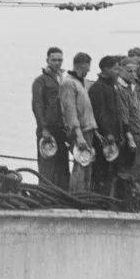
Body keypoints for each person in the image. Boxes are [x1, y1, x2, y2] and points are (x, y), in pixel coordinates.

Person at [31, 47, 68, 190]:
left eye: (60, 60)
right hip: (48, 130)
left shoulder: (62, 80)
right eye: (54, 60)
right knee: (48, 167)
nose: (57, 63)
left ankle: (62, 196)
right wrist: (43, 128)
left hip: (61, 129)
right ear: (47, 60)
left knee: (62, 166)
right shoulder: (40, 81)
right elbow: (37, 105)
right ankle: (46, 194)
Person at [59, 52, 96, 193]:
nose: (89, 71)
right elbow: (70, 111)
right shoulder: (69, 83)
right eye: (87, 68)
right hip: (80, 131)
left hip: (88, 129)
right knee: (81, 164)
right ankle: (77, 196)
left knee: (86, 165)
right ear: (81, 66)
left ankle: (84, 195)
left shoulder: (79, 83)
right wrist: (78, 134)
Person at [88, 56, 125, 196]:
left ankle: (107, 198)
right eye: (116, 69)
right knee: (101, 170)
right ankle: (99, 199)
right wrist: (108, 133)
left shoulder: (111, 87)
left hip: (113, 138)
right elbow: (101, 113)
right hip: (104, 139)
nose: (118, 72)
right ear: (106, 69)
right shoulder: (97, 88)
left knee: (111, 171)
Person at [117, 56, 140, 208]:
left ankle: (133, 204)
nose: (132, 74)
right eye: (129, 71)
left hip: (139, 134)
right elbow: (124, 116)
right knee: (128, 173)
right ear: (121, 70)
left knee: (138, 171)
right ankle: (126, 205)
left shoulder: (133, 88)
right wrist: (129, 137)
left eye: (134, 71)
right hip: (132, 135)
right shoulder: (121, 90)